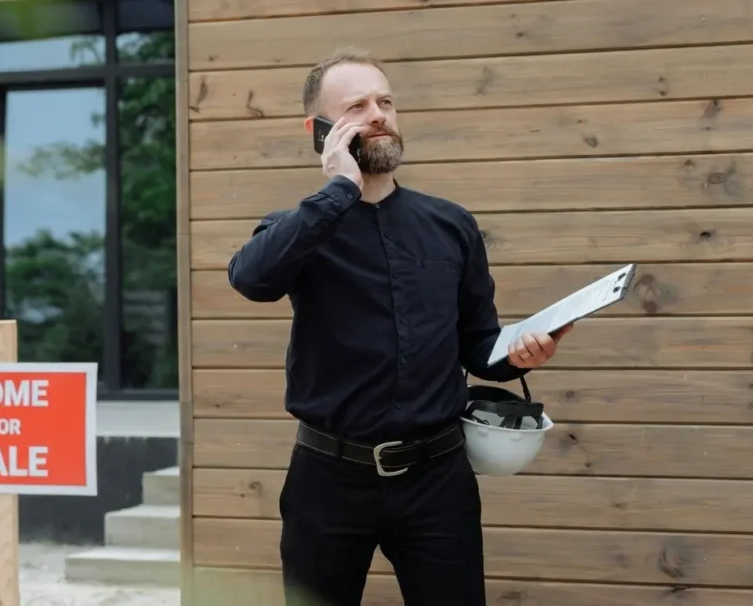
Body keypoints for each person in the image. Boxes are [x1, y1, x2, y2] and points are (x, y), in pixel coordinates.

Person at [227, 47, 573, 606]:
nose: (379, 114)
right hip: (327, 479)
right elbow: (251, 279)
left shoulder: (451, 226)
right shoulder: (298, 230)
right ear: (321, 129)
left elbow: (479, 346)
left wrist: (519, 355)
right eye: (358, 106)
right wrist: (339, 188)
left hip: (437, 479)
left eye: (385, 101)